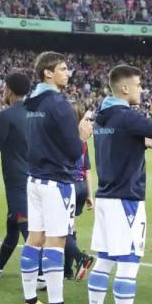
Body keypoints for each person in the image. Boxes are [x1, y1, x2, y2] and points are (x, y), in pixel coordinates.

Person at [87, 65, 152, 304]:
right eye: (138, 84)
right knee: (129, 261)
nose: (141, 89)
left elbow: (121, 142)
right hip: (126, 199)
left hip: (106, 197)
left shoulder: (102, 117)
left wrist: (143, 143)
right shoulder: (127, 116)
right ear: (124, 88)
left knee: (105, 259)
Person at [19, 51, 90, 304]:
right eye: (62, 68)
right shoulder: (58, 104)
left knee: (34, 237)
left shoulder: (31, 102)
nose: (67, 73)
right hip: (56, 180)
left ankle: (31, 301)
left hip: (34, 179)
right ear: (47, 72)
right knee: (57, 240)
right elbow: (73, 151)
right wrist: (82, 136)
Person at [0, 73, 31, 281]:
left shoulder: (7, 115)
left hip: (16, 179)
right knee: (13, 223)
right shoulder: (36, 112)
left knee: (25, 226)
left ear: (9, 91)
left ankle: (40, 274)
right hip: (36, 177)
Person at [65, 101, 95, 282]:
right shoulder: (83, 140)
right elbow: (88, 168)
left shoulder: (69, 139)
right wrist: (90, 194)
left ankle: (80, 258)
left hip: (70, 186)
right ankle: (67, 271)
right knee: (71, 227)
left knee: (60, 230)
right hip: (83, 186)